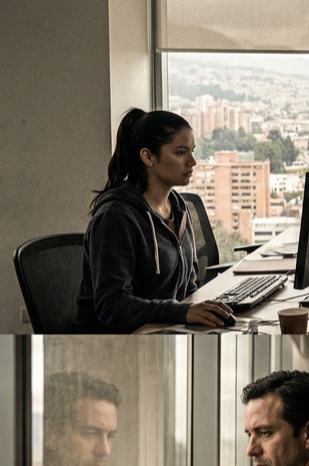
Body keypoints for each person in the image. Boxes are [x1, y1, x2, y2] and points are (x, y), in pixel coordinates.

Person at [74, 108, 232, 332]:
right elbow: (112, 305)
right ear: (148, 156)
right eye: (180, 153)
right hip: (116, 344)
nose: (192, 162)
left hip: (164, 331)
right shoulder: (115, 218)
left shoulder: (178, 209)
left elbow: (189, 288)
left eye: (192, 151)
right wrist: (182, 312)